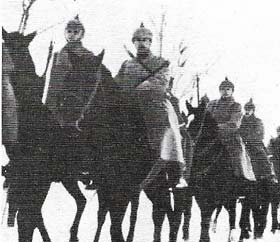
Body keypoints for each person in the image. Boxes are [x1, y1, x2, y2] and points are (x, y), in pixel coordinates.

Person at [115, 23, 187, 188]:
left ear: (150, 42)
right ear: (134, 43)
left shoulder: (160, 62)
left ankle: (175, 171)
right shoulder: (127, 64)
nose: (141, 43)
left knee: (170, 129)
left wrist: (139, 88)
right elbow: (116, 83)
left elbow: (160, 82)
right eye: (138, 40)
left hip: (153, 103)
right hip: (129, 103)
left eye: (145, 40)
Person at [45, 15, 103, 184]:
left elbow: (93, 83)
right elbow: (51, 82)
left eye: (75, 32)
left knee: (78, 135)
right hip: (55, 101)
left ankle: (83, 168)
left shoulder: (88, 55)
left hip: (77, 104)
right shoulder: (58, 54)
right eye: (69, 31)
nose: (72, 35)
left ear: (82, 34)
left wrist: (83, 107)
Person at [205, 77, 255, 181]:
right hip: (211, 137)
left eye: (228, 89)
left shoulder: (235, 106)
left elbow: (234, 124)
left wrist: (216, 127)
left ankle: (242, 178)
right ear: (219, 91)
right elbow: (205, 119)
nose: (225, 91)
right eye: (223, 89)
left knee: (237, 155)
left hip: (229, 138)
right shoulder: (212, 105)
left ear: (232, 91)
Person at [239, 98, 275, 181]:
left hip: (256, 146)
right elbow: (239, 132)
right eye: (246, 109)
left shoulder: (257, 121)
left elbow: (259, 135)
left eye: (249, 109)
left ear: (253, 110)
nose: (247, 111)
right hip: (245, 146)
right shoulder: (241, 122)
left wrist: (248, 138)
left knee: (263, 162)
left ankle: (268, 178)